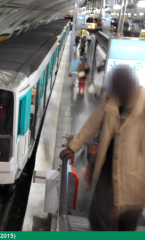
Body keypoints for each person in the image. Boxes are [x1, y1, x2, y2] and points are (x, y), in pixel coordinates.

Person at [60, 64, 145, 231]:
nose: (114, 95)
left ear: (130, 86)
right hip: (107, 168)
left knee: (127, 222)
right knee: (99, 214)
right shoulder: (110, 97)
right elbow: (93, 123)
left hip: (134, 175)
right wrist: (74, 146)